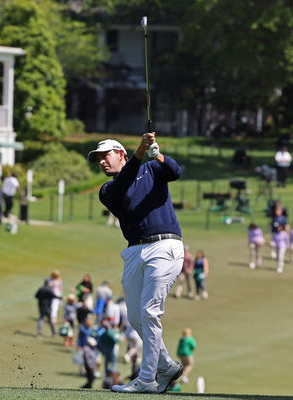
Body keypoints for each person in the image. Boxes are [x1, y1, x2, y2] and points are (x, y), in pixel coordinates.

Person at [87, 135, 184, 394]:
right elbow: (124, 183)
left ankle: (147, 379)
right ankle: (167, 367)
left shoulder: (151, 168)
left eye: (105, 155)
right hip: (134, 252)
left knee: (150, 312)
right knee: (135, 317)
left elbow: (175, 171)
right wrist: (141, 152)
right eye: (98, 159)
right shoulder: (107, 191)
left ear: (121, 154)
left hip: (164, 246)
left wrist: (156, 154)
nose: (102, 162)